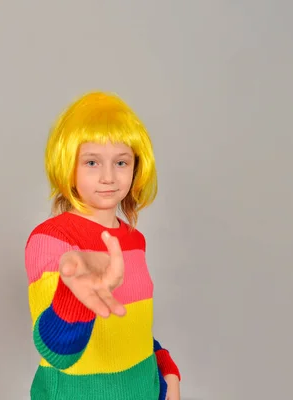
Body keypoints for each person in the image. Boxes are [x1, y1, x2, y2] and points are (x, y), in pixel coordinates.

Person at [24, 91, 181, 400]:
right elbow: (57, 353)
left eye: (121, 162)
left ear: (136, 167)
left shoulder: (134, 241)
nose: (108, 177)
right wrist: (73, 296)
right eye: (92, 162)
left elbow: (131, 326)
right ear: (68, 166)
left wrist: (166, 373)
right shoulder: (50, 240)